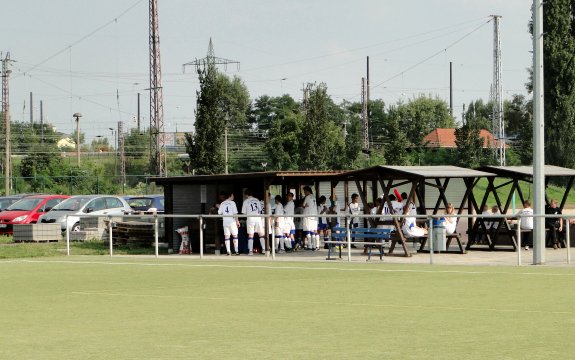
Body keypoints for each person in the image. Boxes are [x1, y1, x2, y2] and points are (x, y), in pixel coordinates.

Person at [241, 189, 266, 256]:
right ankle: (264, 249)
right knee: (261, 234)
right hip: (258, 218)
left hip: (250, 218)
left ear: (246, 195)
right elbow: (260, 210)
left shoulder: (246, 201)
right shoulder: (257, 200)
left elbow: (243, 213)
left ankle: (251, 251)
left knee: (251, 235)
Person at [302, 186, 319, 250]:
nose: (304, 193)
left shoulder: (307, 197)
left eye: (305, 191)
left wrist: (305, 205)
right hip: (314, 217)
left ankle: (309, 245)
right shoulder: (313, 197)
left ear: (307, 191)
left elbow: (303, 205)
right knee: (313, 231)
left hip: (308, 216)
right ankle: (314, 246)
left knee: (308, 230)